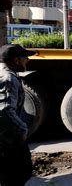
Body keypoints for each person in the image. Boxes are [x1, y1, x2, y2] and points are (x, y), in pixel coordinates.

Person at [0, 44, 36, 185]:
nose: (27, 60)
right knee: (18, 175)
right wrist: (22, 129)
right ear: (15, 60)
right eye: (24, 57)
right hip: (7, 141)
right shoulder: (7, 78)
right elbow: (4, 110)